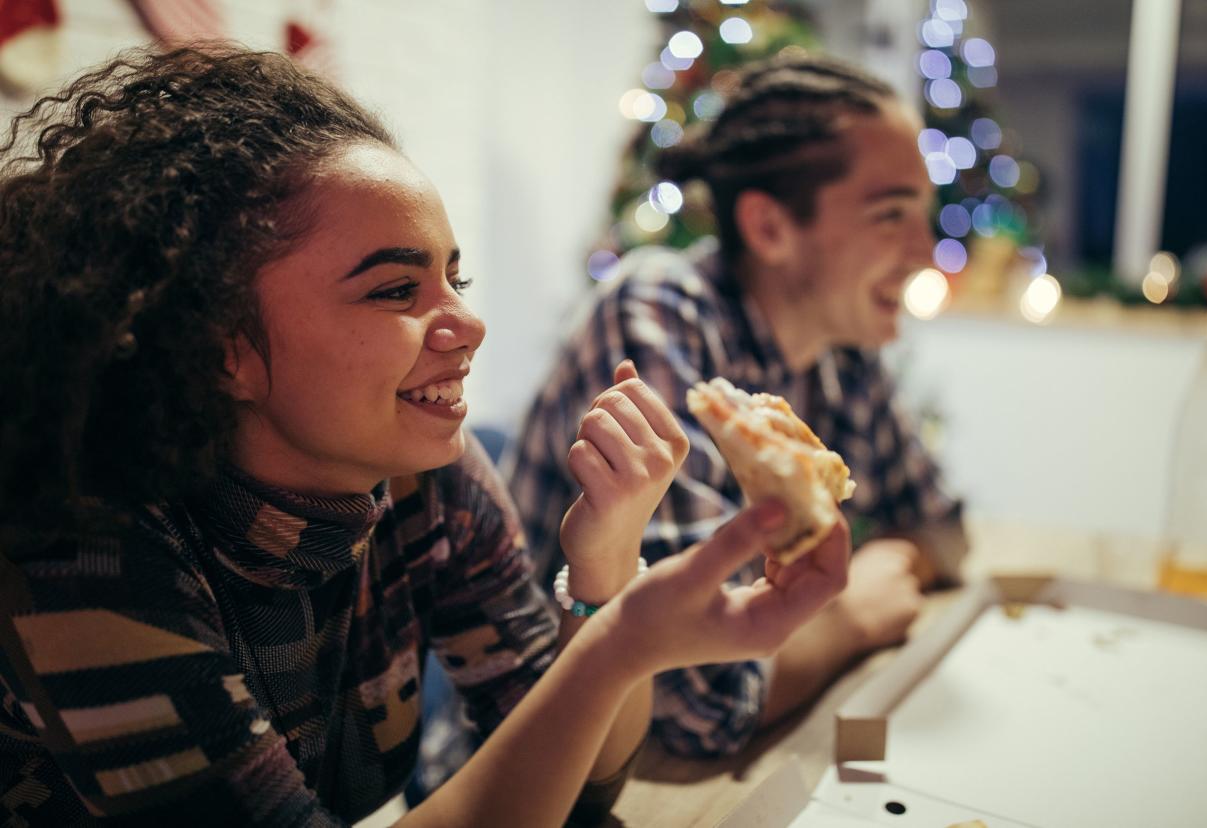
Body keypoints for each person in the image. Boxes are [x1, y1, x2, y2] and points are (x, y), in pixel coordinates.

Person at [0, 46, 851, 826]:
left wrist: (606, 570)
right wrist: (617, 646)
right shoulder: (80, 549)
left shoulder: (420, 475)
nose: (468, 323)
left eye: (454, 277)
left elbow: (582, 794)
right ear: (222, 350)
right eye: (394, 291)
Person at [508, 53, 969, 758]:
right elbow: (687, 690)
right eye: (891, 215)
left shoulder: (843, 345)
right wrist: (852, 619)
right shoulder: (658, 311)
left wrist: (889, 562)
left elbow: (943, 530)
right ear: (770, 228)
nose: (924, 251)